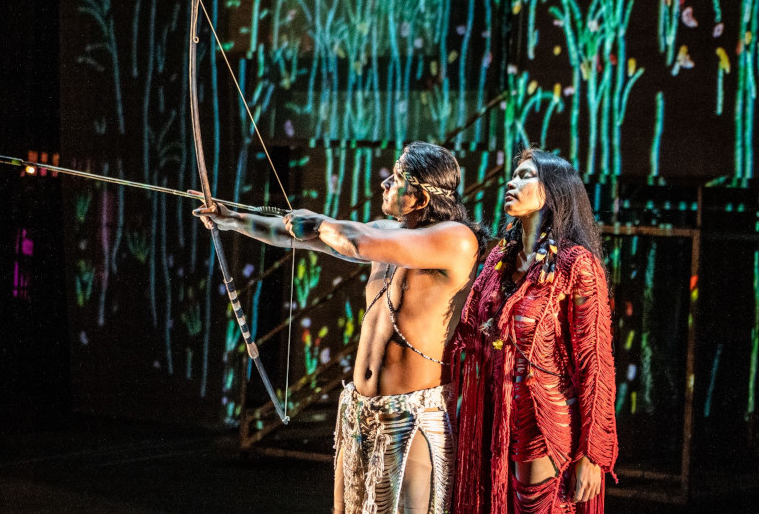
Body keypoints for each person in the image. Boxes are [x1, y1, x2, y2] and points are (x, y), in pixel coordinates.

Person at [195, 141, 485, 514]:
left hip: (413, 418)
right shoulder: (389, 233)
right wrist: (230, 219)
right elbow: (297, 235)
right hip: (362, 413)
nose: (384, 184)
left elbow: (353, 241)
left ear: (420, 195)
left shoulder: (457, 239)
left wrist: (318, 221)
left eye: (396, 178)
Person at [450, 149, 617, 514]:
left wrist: (591, 454)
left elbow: (596, 363)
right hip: (495, 417)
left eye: (526, 176)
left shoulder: (576, 265)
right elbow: (467, 332)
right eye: (514, 175)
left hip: (544, 423)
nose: (512, 182)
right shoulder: (498, 260)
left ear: (555, 191)